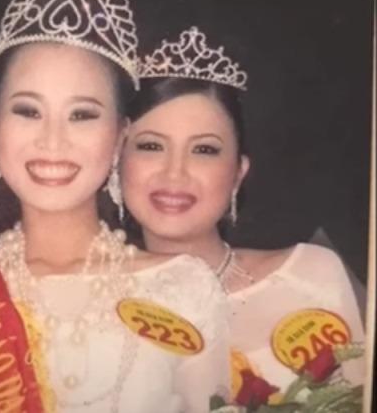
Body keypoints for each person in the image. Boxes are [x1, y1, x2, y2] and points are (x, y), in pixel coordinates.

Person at [0, 0, 231, 413]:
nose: (53, 141)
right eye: (28, 111)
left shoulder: (182, 286)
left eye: (82, 115)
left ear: (120, 135)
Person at [119, 26, 366, 397]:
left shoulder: (311, 276)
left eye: (204, 150)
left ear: (238, 172)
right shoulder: (91, 303)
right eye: (151, 146)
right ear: (117, 162)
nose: (175, 173)